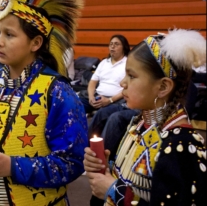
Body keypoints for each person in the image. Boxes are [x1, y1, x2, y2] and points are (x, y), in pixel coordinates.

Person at [0, 0, 88, 205]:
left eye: (9, 34)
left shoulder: (57, 92)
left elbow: (72, 163)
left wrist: (12, 166)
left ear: (35, 43)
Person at [84, 29, 207, 205]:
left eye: (132, 76)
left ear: (163, 86)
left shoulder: (184, 145)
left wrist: (114, 191)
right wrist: (103, 172)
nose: (122, 83)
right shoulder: (139, 124)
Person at [79, 34, 130, 115]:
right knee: (74, 105)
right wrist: (91, 97)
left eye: (116, 44)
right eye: (111, 44)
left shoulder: (129, 63)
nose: (113, 46)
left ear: (124, 47)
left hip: (116, 101)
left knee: (103, 113)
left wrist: (110, 100)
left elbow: (129, 88)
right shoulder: (104, 62)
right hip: (97, 97)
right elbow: (92, 82)